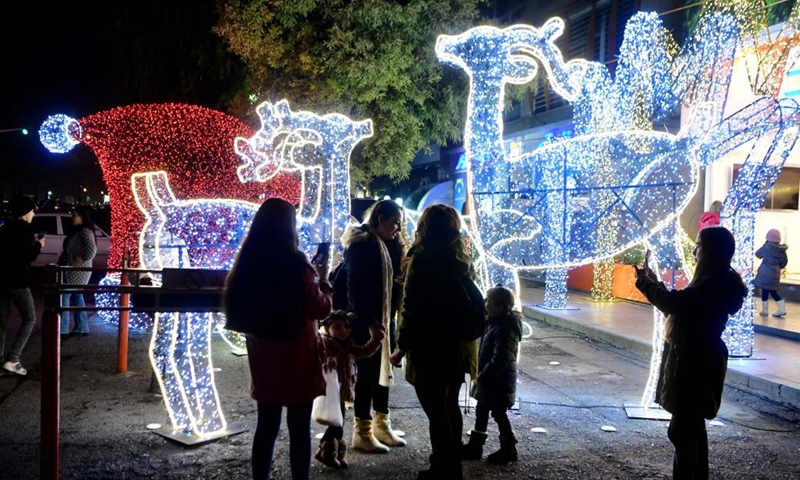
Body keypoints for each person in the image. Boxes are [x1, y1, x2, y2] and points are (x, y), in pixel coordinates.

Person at [222, 198, 332, 480]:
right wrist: (324, 281)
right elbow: (319, 308)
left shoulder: (248, 261)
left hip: (264, 352)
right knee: (298, 429)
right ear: (290, 228)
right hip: (297, 355)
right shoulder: (298, 264)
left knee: (266, 426)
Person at [634, 226, 747, 480]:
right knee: (689, 431)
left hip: (695, 364)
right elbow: (682, 307)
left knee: (684, 432)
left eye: (699, 245)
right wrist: (653, 282)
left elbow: (676, 304)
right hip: (696, 360)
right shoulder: (714, 281)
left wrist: (645, 282)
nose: (695, 250)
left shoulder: (714, 283)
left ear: (710, 251)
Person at [390, 204, 479, 480]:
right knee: (449, 404)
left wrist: (401, 346)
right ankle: (452, 467)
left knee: (436, 410)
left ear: (425, 228)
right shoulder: (460, 255)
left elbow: (412, 307)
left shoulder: (423, 258)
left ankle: (443, 468)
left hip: (431, 345)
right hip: (460, 344)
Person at [341, 199, 407, 453]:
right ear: (380, 218)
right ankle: (363, 431)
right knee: (368, 375)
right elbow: (354, 289)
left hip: (385, 317)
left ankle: (382, 423)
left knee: (383, 371)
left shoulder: (389, 245)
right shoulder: (362, 244)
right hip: (365, 321)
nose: (398, 229)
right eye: (395, 223)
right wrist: (369, 323)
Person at [314, 309, 385, 469]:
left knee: (339, 422)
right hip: (331, 391)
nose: (343, 331)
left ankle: (335, 454)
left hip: (344, 390)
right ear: (327, 329)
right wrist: (326, 364)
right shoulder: (324, 344)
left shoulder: (348, 345)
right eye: (338, 327)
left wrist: (375, 341)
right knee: (336, 423)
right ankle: (326, 451)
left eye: (346, 327)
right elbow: (316, 361)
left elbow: (364, 351)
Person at [462, 284, 523, 465]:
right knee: (482, 410)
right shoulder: (494, 323)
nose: (486, 304)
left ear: (501, 306)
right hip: (492, 380)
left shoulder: (505, 328)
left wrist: (483, 376)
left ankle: (508, 449)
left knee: (498, 413)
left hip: (498, 381)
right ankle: (475, 446)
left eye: (489, 301)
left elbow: (502, 358)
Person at [0, 196, 45, 375]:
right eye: (32, 210)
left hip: (2, 279)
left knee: (1, 321)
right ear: (26, 212)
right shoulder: (26, 229)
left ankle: (1, 361)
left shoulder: (5, 227)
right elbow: (29, 256)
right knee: (30, 318)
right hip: (18, 280)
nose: (33, 213)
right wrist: (38, 245)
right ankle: (13, 359)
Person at [59, 206, 97, 337]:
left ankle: (63, 329)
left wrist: (81, 256)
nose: (72, 217)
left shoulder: (85, 231)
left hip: (77, 270)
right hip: (76, 269)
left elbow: (92, 250)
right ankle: (81, 327)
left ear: (82, 217)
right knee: (77, 296)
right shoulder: (80, 230)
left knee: (64, 297)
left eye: (74, 215)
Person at [753, 228, 788, 318]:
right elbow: (783, 263)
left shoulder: (766, 247)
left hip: (765, 273)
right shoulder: (782, 250)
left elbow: (757, 254)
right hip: (775, 273)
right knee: (773, 292)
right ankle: (781, 309)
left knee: (765, 291)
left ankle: (765, 311)